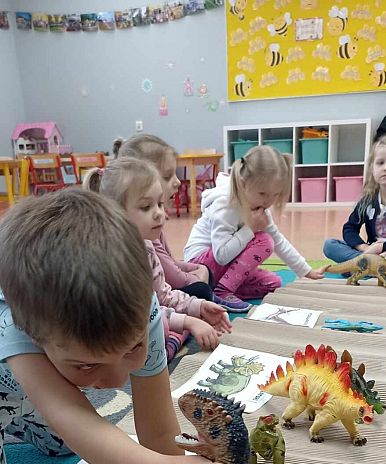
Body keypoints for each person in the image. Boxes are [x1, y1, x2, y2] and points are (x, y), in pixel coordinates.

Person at [0, 190, 253, 464]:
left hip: (37, 388)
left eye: (132, 350)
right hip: (13, 379)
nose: (118, 378)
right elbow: (71, 416)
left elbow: (157, 424)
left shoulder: (138, 307)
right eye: (87, 366)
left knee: (67, 445)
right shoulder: (16, 320)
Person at [83, 158, 231, 360]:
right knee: (161, 326)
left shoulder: (146, 247)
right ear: (113, 214)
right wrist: (188, 321)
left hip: (143, 321)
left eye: (160, 204)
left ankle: (175, 336)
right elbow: (140, 315)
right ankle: (174, 338)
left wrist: (199, 307)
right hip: (107, 335)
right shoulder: (110, 259)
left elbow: (163, 296)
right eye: (146, 207)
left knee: (183, 311)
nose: (159, 213)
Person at [114, 133, 252, 313]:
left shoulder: (152, 223)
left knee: (205, 274)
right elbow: (171, 278)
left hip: (164, 289)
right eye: (167, 176)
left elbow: (170, 263)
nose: (178, 182)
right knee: (201, 288)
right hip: (158, 300)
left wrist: (197, 269)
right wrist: (196, 277)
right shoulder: (144, 235)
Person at [183, 145, 324, 306]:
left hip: (221, 266)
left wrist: (305, 270)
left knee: (273, 282)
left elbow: (278, 240)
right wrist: (250, 228)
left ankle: (215, 290)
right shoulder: (225, 206)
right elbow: (221, 255)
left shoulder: (258, 206)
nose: (268, 201)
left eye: (275, 194)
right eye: (262, 193)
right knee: (264, 241)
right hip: (200, 266)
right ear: (243, 184)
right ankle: (222, 291)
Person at [324, 134, 386, 265]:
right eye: (380, 163)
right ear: (372, 168)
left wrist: (381, 247)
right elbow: (349, 228)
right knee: (330, 245)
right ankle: (369, 264)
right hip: (370, 253)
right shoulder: (368, 200)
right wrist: (364, 248)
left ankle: (360, 265)